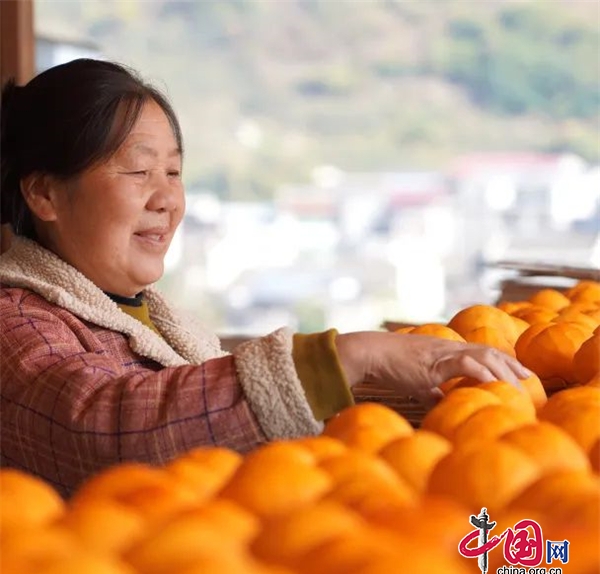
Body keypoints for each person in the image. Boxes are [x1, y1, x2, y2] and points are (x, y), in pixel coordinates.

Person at [0, 59, 531, 497]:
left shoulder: (158, 322)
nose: (166, 199)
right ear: (43, 193)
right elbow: (104, 430)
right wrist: (347, 355)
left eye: (174, 173)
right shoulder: (15, 327)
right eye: (138, 172)